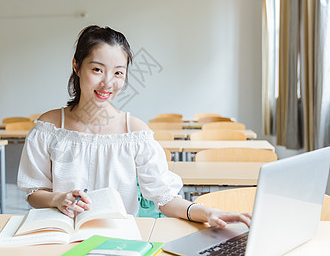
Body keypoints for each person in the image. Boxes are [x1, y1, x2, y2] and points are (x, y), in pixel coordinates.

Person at [17, 25, 251, 228]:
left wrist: (207, 212)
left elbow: (165, 198)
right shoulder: (48, 129)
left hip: (117, 238)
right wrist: (57, 199)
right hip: (59, 234)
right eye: (97, 69)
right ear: (77, 66)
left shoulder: (135, 133)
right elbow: (34, 192)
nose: (108, 82)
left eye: (118, 73)